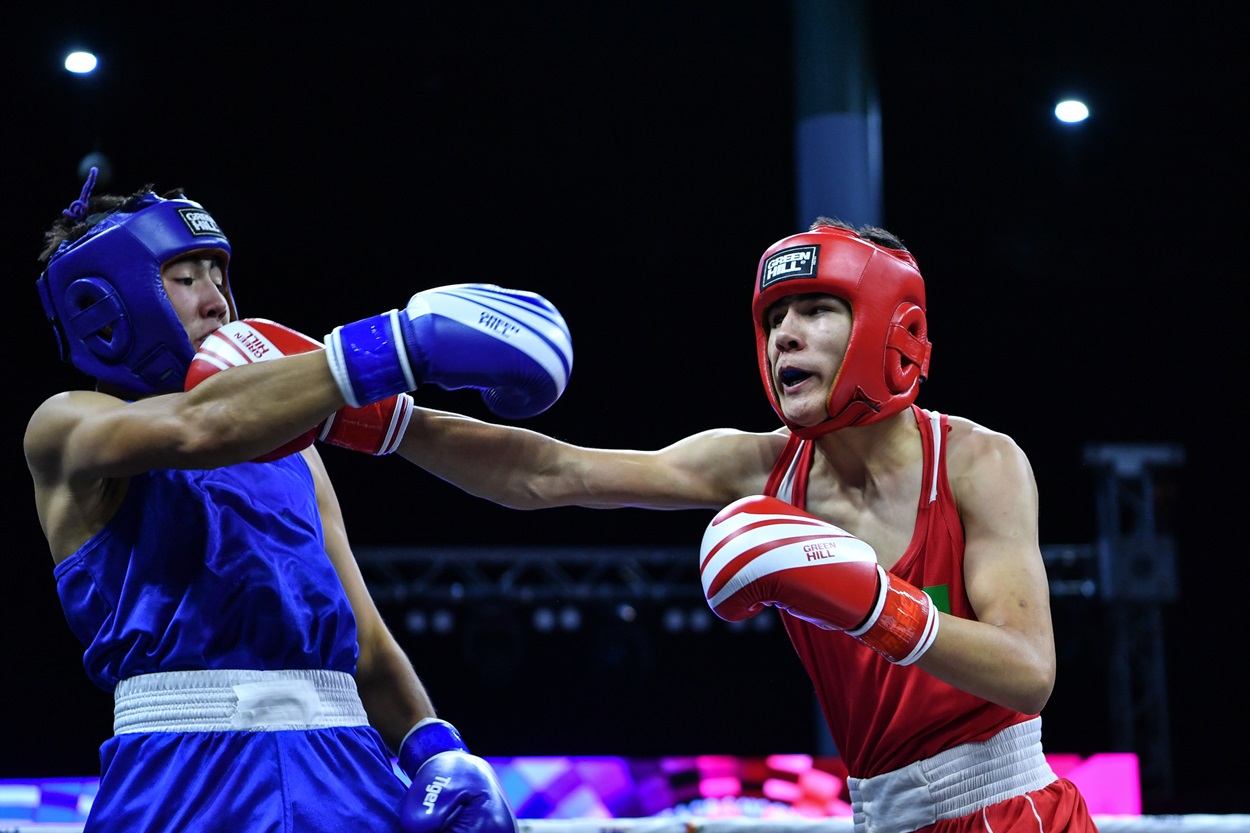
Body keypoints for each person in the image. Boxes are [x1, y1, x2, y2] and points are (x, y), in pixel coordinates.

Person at [367, 218, 1099, 833]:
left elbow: (1029, 674)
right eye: (774, 317)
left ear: (890, 324)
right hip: (883, 817)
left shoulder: (977, 461)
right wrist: (368, 412)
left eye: (816, 309)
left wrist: (876, 603)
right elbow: (549, 473)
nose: (785, 335)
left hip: (1013, 812)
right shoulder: (759, 467)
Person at [25, 167, 573, 833]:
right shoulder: (67, 426)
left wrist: (437, 750)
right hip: (181, 774)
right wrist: (402, 345)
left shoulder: (298, 449)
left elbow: (366, 645)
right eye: (186, 277)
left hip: (346, 766)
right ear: (106, 305)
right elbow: (199, 428)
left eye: (219, 274)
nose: (218, 301)